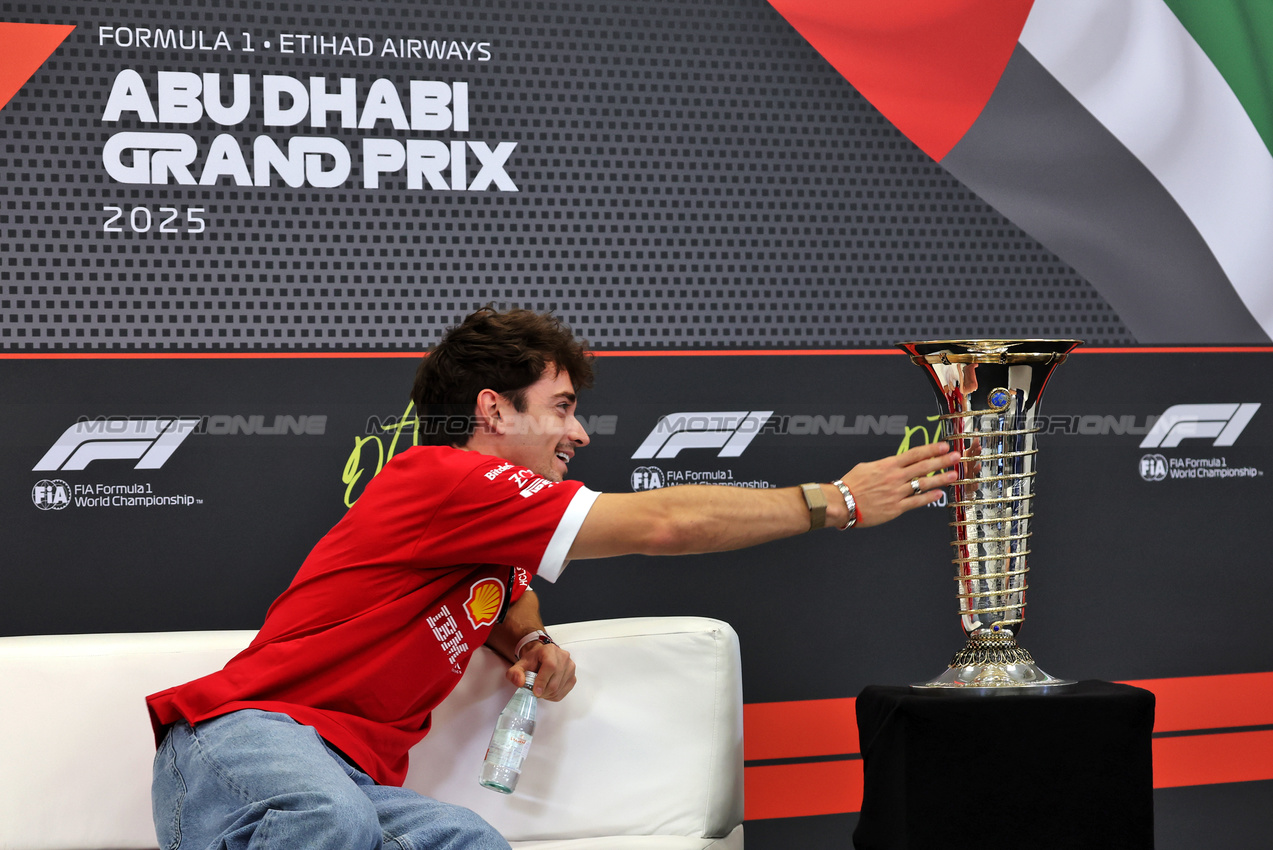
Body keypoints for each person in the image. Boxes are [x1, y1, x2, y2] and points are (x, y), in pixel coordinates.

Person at [147, 307, 960, 850]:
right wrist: (838, 501)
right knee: (322, 818)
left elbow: (502, 581)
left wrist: (525, 632)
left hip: (350, 774)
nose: (577, 432)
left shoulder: (481, 520)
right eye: (562, 406)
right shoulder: (442, 477)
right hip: (242, 739)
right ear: (494, 411)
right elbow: (663, 524)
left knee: (467, 841)